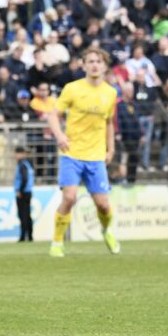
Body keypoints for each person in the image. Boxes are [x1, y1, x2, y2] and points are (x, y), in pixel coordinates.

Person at [46, 47, 120, 258]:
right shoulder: (72, 89)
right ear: (84, 65)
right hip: (72, 153)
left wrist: (111, 148)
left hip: (96, 155)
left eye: (98, 61)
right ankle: (57, 242)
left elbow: (108, 123)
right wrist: (60, 136)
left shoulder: (110, 93)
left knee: (103, 205)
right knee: (69, 198)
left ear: (105, 66)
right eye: (91, 61)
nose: (95, 64)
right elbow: (53, 116)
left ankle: (107, 230)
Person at [14, 145, 35, 242]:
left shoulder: (22, 165)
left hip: (23, 193)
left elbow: (24, 179)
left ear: (22, 154)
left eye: (17, 153)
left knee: (23, 215)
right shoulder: (28, 164)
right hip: (28, 192)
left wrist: (20, 191)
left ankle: (23, 237)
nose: (15, 155)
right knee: (27, 215)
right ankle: (30, 236)